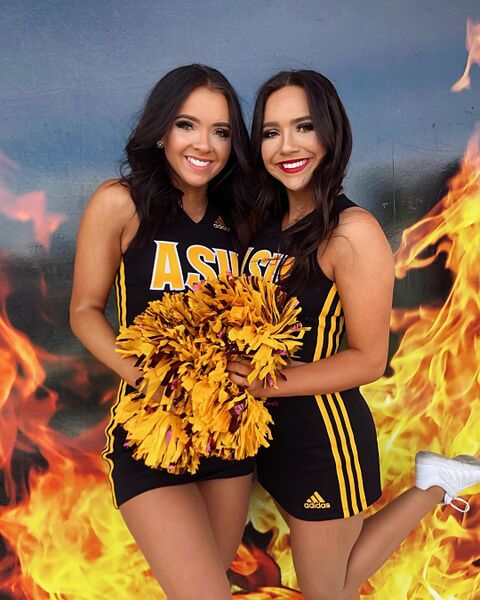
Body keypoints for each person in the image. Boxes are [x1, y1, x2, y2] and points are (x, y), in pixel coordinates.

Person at [229, 70, 480, 600]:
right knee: (330, 582)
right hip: (265, 434)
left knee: (328, 593)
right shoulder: (264, 223)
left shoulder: (353, 232)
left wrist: (262, 384)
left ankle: (434, 486)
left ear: (330, 133)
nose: (287, 146)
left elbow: (367, 360)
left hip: (324, 438)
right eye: (271, 132)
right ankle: (436, 480)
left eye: (303, 127)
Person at [70, 64, 255, 600]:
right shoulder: (120, 202)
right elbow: (84, 311)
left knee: (211, 584)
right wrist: (149, 378)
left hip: (229, 431)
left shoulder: (241, 217)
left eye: (221, 132)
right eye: (187, 125)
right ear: (160, 130)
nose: (204, 145)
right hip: (153, 430)